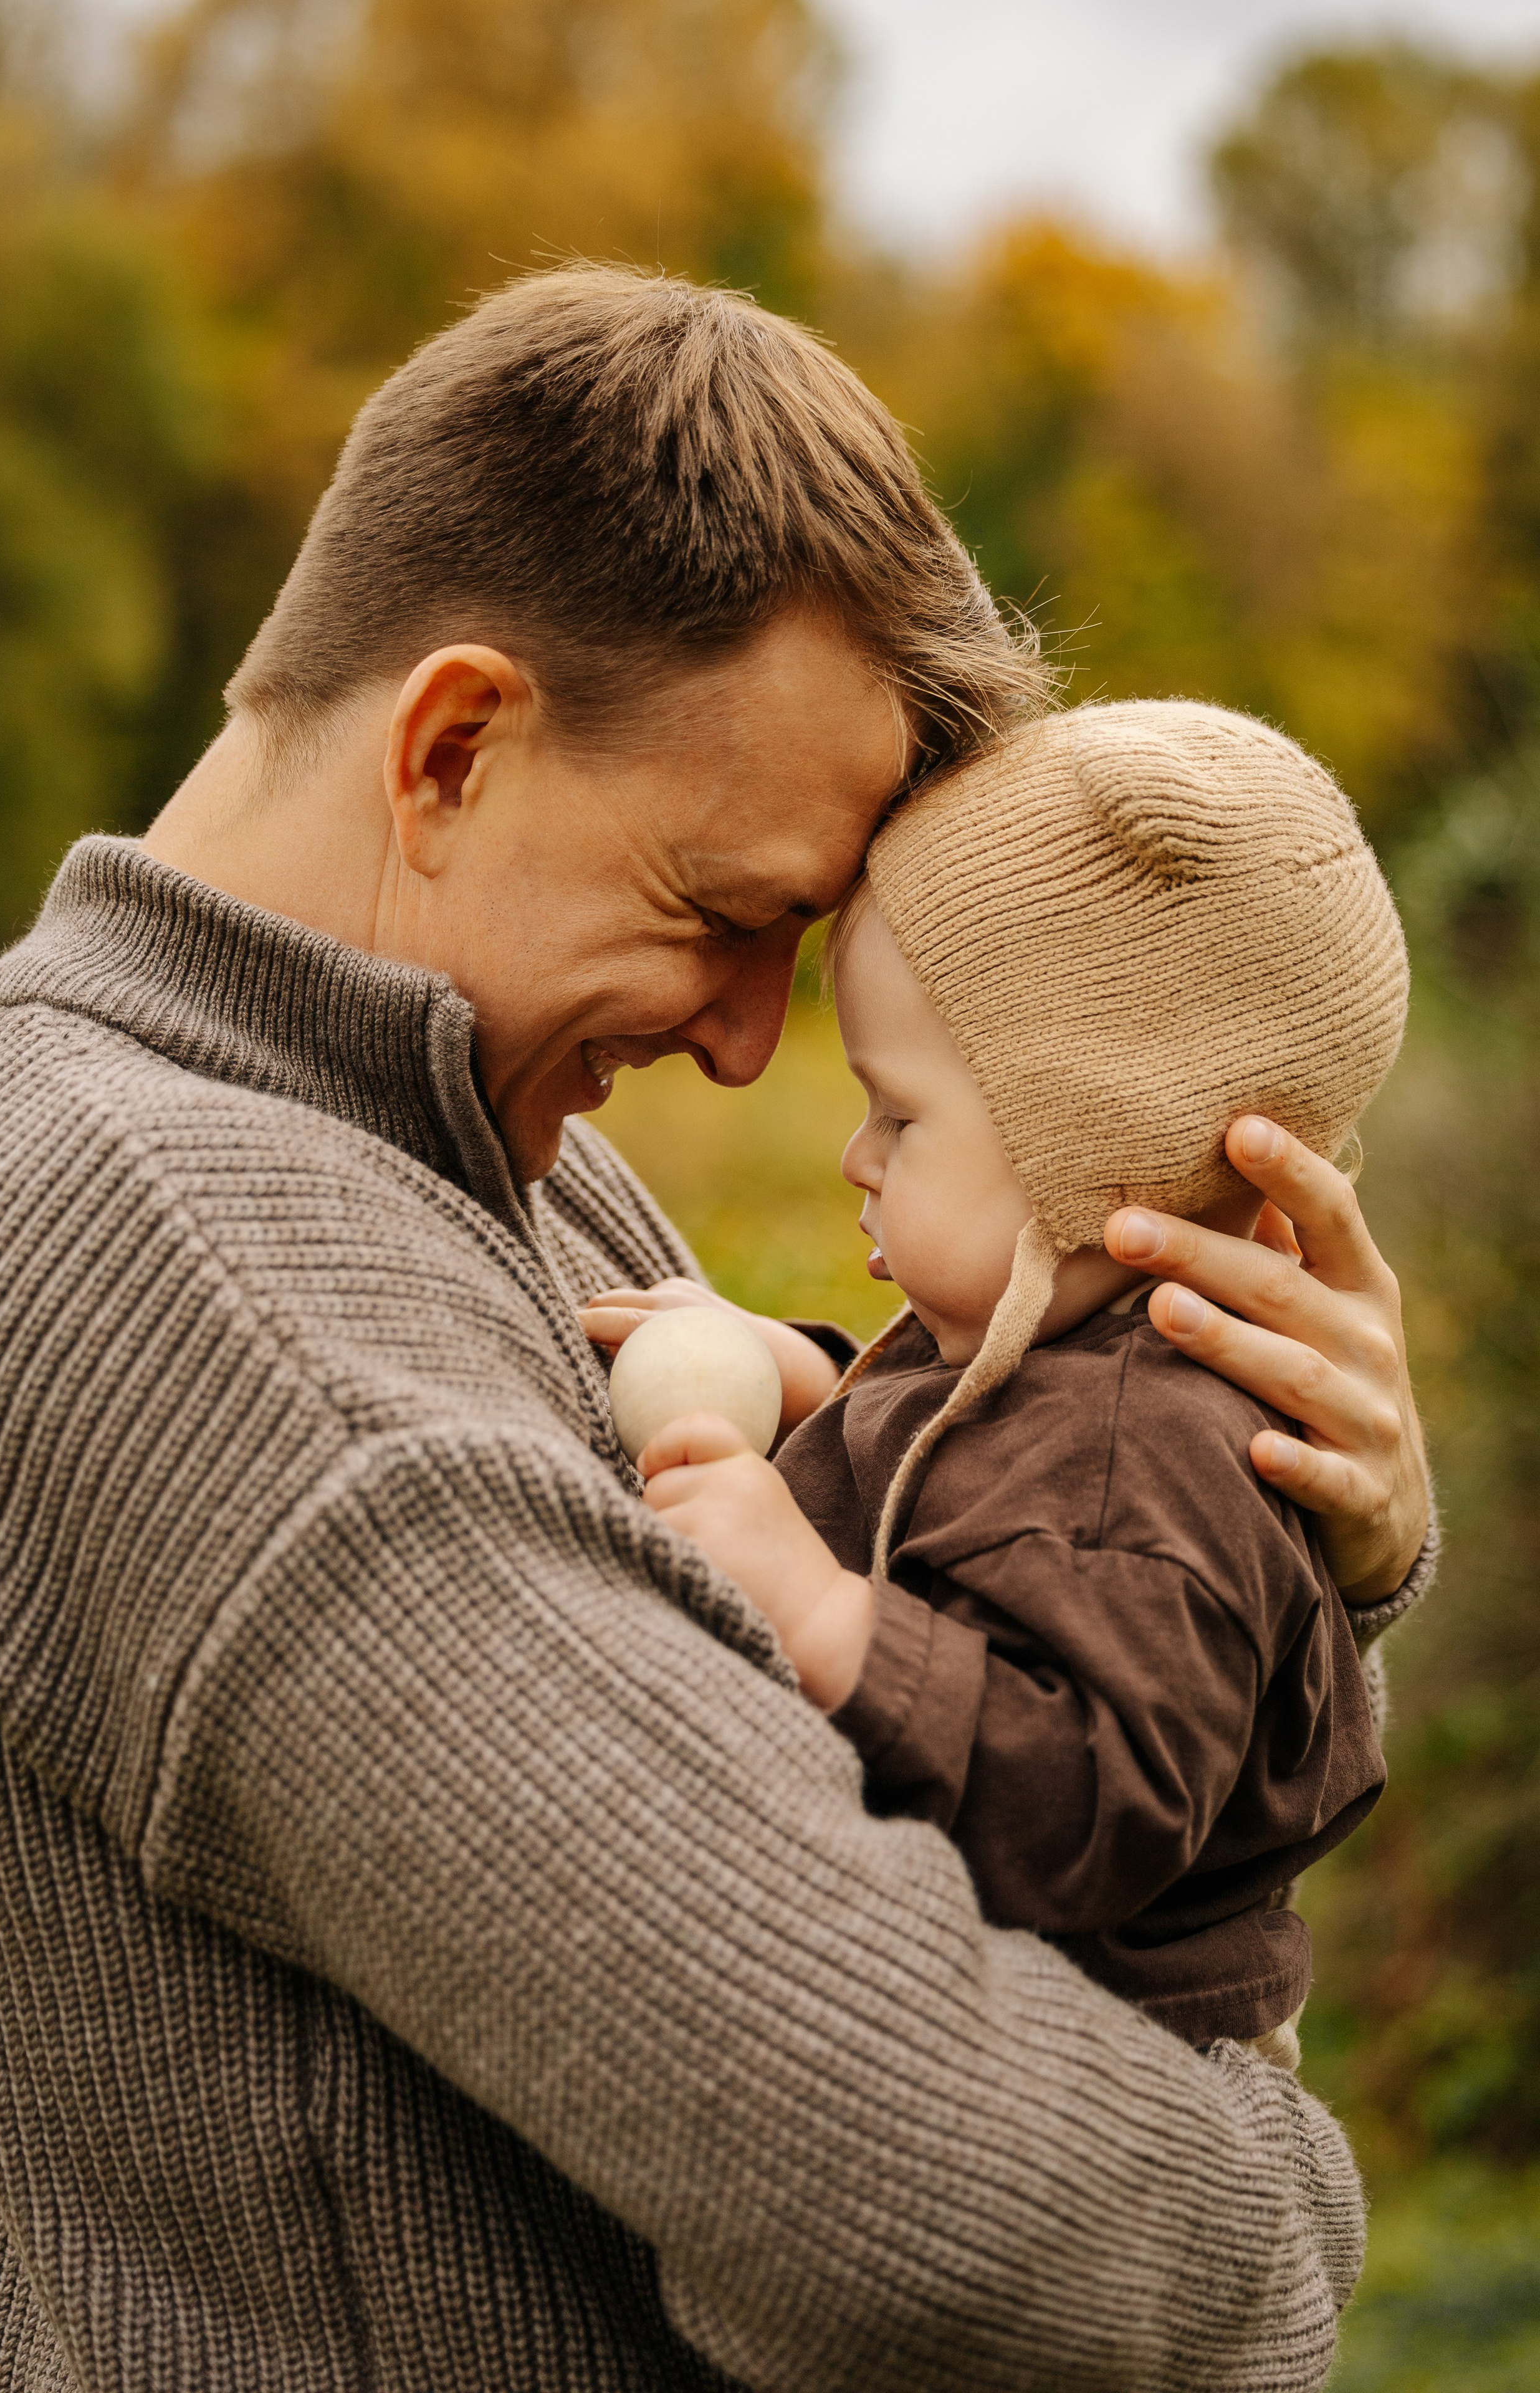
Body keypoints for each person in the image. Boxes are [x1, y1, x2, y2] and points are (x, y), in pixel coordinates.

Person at [0, 267, 1432, 2393]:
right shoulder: (219, 1285)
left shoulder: (451, 1132)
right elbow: (945, 2217)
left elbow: (944, 1715)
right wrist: (1280, 2201)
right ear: (451, 747)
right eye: (726, 917)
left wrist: (1273, 1518)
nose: (754, 1046)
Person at [593, 699, 1408, 2078]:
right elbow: (974, 1486)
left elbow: (1094, 1793)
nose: (857, 1155)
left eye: (899, 1116)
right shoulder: (1061, 1355)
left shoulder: (1142, 1444)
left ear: (1102, 1158)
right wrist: (812, 1392)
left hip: (1102, 2080)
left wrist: (818, 1613)